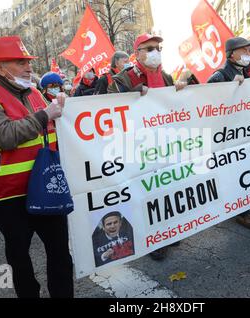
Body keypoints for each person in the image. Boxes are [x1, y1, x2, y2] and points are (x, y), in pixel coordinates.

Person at [0, 36, 74, 298]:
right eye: (20, 62)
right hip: (7, 197)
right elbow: (2, 135)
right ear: (0, 67)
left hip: (46, 187)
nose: (28, 67)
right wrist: (45, 114)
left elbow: (51, 131)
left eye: (28, 61)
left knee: (60, 253)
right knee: (19, 257)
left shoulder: (35, 92)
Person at [108, 34, 187, 260]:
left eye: (158, 47)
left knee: (168, 188)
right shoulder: (123, 79)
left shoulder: (165, 76)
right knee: (146, 194)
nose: (155, 52)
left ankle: (169, 231)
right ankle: (154, 239)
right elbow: (111, 106)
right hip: (139, 147)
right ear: (137, 53)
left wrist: (180, 91)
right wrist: (133, 95)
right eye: (149, 48)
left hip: (165, 144)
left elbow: (175, 106)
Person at [207, 37, 250, 229]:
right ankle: (242, 211)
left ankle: (240, 206)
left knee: (245, 169)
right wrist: (228, 88)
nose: (249, 54)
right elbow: (206, 103)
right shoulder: (220, 75)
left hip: (245, 131)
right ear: (232, 54)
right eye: (244, 51)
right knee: (236, 172)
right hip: (229, 136)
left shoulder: (248, 72)